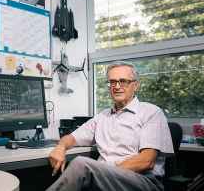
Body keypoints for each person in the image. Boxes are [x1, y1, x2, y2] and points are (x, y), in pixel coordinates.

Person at [47, 61, 173, 191]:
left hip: (142, 182)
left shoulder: (151, 112)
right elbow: (72, 138)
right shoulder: (102, 117)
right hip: (106, 179)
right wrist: (60, 147)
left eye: (123, 81)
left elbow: (146, 161)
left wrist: (104, 173)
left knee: (81, 164)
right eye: (112, 82)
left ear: (135, 85)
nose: (117, 86)